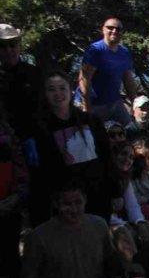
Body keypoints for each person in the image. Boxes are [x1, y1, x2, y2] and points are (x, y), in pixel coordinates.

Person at [31, 70, 111, 225]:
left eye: (62, 88)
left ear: (71, 90)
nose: (58, 93)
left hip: (96, 196)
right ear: (45, 94)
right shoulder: (39, 128)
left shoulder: (91, 121)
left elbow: (106, 157)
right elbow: (41, 173)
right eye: (52, 89)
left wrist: (114, 192)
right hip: (64, 204)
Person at [76, 18, 137, 125]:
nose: (114, 31)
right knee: (95, 133)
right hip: (93, 104)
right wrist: (86, 108)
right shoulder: (95, 50)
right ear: (103, 30)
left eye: (118, 29)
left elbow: (128, 79)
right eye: (110, 28)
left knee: (130, 129)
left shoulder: (124, 52)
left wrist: (135, 103)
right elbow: (84, 80)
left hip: (114, 102)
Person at [0, 23, 42, 143]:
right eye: (2, 45)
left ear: (19, 45)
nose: (8, 50)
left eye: (12, 44)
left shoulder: (36, 74)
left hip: (39, 139)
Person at [0, 119, 27, 278]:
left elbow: (20, 162)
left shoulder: (6, 129)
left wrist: (17, 196)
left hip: (10, 204)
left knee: (11, 254)